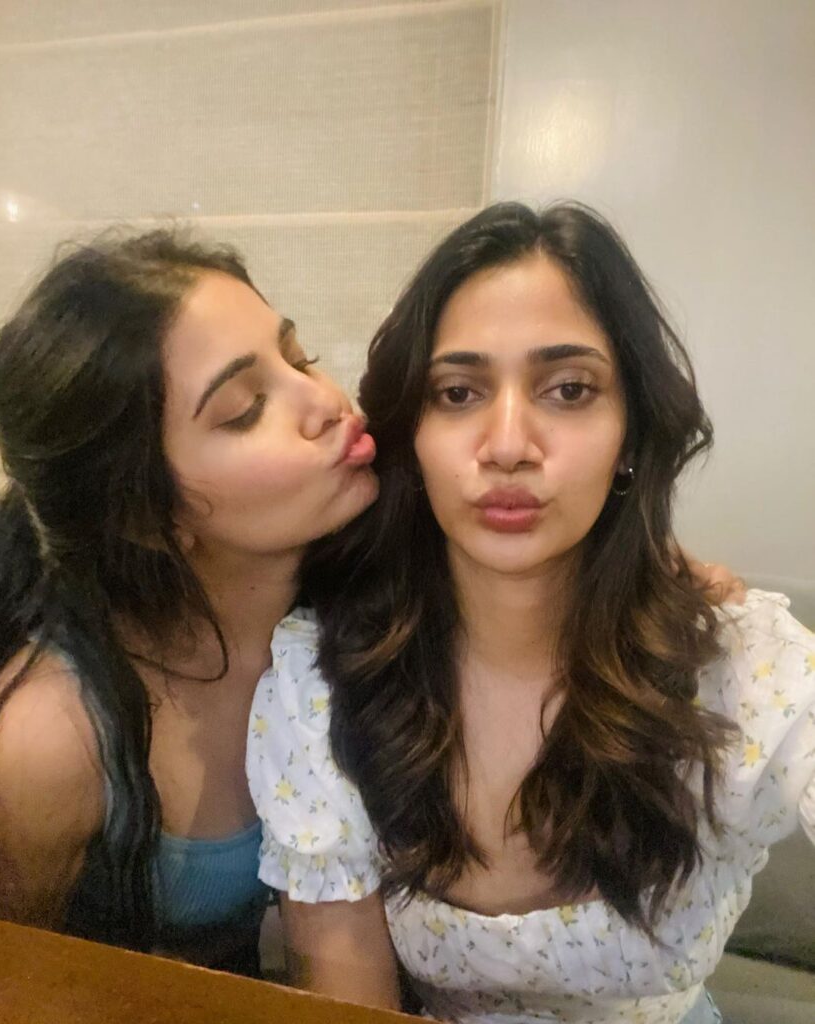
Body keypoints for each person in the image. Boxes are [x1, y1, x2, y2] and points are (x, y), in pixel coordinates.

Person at [248, 202, 815, 1022]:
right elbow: (348, 997)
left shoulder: (747, 669)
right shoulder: (322, 679)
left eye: (568, 390)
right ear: (411, 435)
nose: (508, 444)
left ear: (630, 432)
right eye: (457, 392)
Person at [0, 230, 378, 973]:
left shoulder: (360, 588)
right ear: (143, 516)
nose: (325, 401)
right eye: (245, 409)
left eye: (299, 357)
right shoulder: (51, 742)